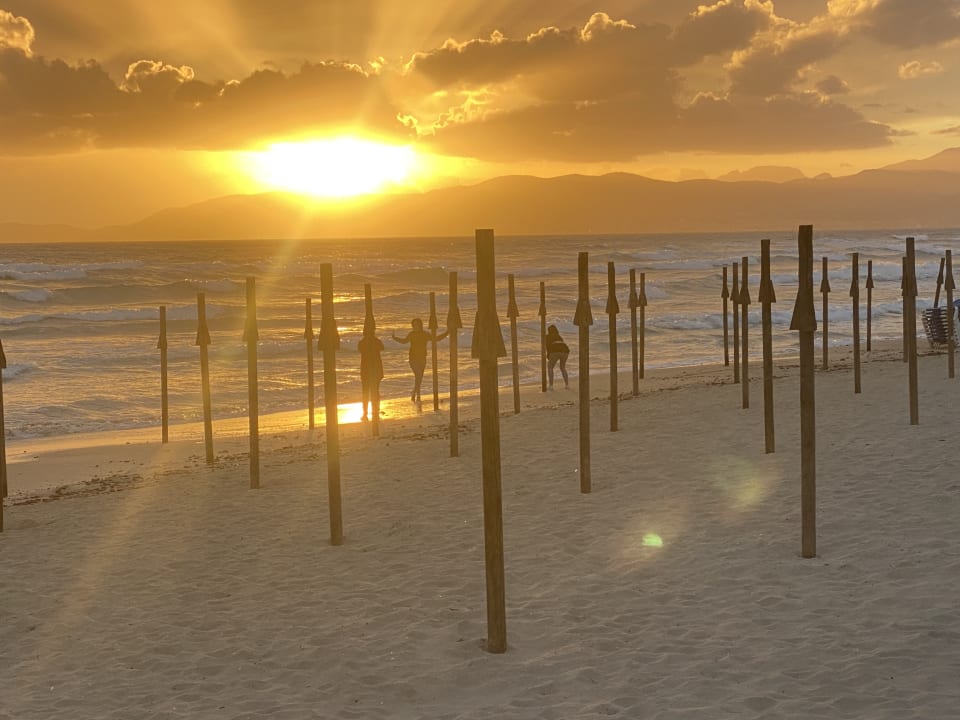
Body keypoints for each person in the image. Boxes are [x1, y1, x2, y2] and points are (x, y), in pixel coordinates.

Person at [392, 318, 448, 402]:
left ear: (420, 325)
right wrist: (395, 338)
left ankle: (416, 393)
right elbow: (404, 341)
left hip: (422, 358)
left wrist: (446, 333)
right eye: (414, 325)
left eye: (417, 324)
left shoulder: (425, 334)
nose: (416, 326)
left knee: (419, 377)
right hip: (413, 358)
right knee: (418, 375)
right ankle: (415, 393)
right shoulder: (412, 334)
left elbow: (435, 339)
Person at [358, 325, 384, 421]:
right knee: (375, 391)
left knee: (365, 392)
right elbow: (382, 348)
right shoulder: (376, 341)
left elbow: (360, 350)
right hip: (376, 369)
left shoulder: (362, 342)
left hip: (365, 370)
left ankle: (365, 413)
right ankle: (375, 410)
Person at [545, 324, 570, 389]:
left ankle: (551, 386)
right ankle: (567, 385)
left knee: (550, 367)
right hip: (565, 351)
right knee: (562, 367)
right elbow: (562, 344)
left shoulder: (547, 336)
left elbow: (547, 347)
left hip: (555, 350)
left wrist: (548, 355)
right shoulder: (559, 336)